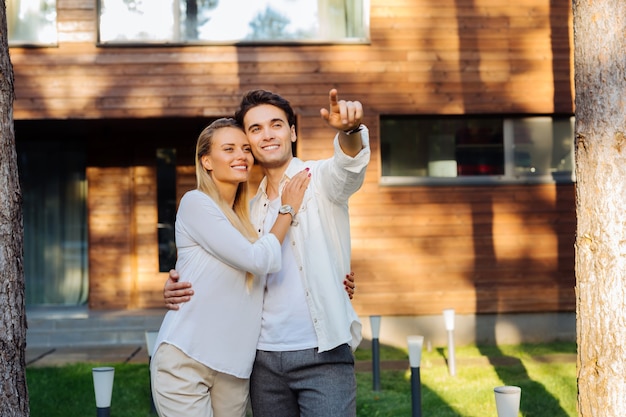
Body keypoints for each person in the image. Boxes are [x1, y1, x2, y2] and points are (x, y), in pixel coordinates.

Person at [164, 88, 370, 417]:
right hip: (260, 360)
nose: (267, 135)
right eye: (255, 129)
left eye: (276, 124)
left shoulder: (317, 180)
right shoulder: (247, 210)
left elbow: (349, 167)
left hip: (323, 353)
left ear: (292, 131)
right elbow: (228, 266)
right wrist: (178, 283)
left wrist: (349, 130)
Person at [150, 117, 311, 417]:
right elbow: (258, 260)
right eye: (229, 149)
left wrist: (341, 277)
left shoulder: (251, 218)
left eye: (245, 149)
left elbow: (275, 265)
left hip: (234, 370)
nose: (241, 156)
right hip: (187, 359)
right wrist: (287, 209)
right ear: (207, 161)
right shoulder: (195, 203)